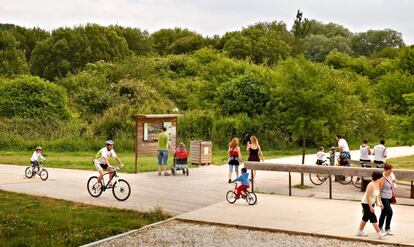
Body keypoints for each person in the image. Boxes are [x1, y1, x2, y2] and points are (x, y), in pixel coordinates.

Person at [356, 171, 386, 239]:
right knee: (373, 218)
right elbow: (367, 196)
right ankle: (379, 234)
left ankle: (359, 231)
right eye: (381, 177)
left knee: (365, 218)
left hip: (371, 203)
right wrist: (370, 207)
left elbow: (378, 195)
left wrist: (381, 203)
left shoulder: (377, 184)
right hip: (366, 203)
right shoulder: (371, 184)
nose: (382, 178)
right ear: (378, 177)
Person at [379, 164, 395, 235]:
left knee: (384, 213)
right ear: (386, 170)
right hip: (383, 198)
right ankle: (387, 228)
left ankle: (380, 227)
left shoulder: (390, 176)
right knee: (390, 212)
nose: (391, 171)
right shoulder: (382, 178)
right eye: (390, 170)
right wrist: (380, 202)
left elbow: (392, 186)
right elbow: (379, 190)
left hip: (389, 197)